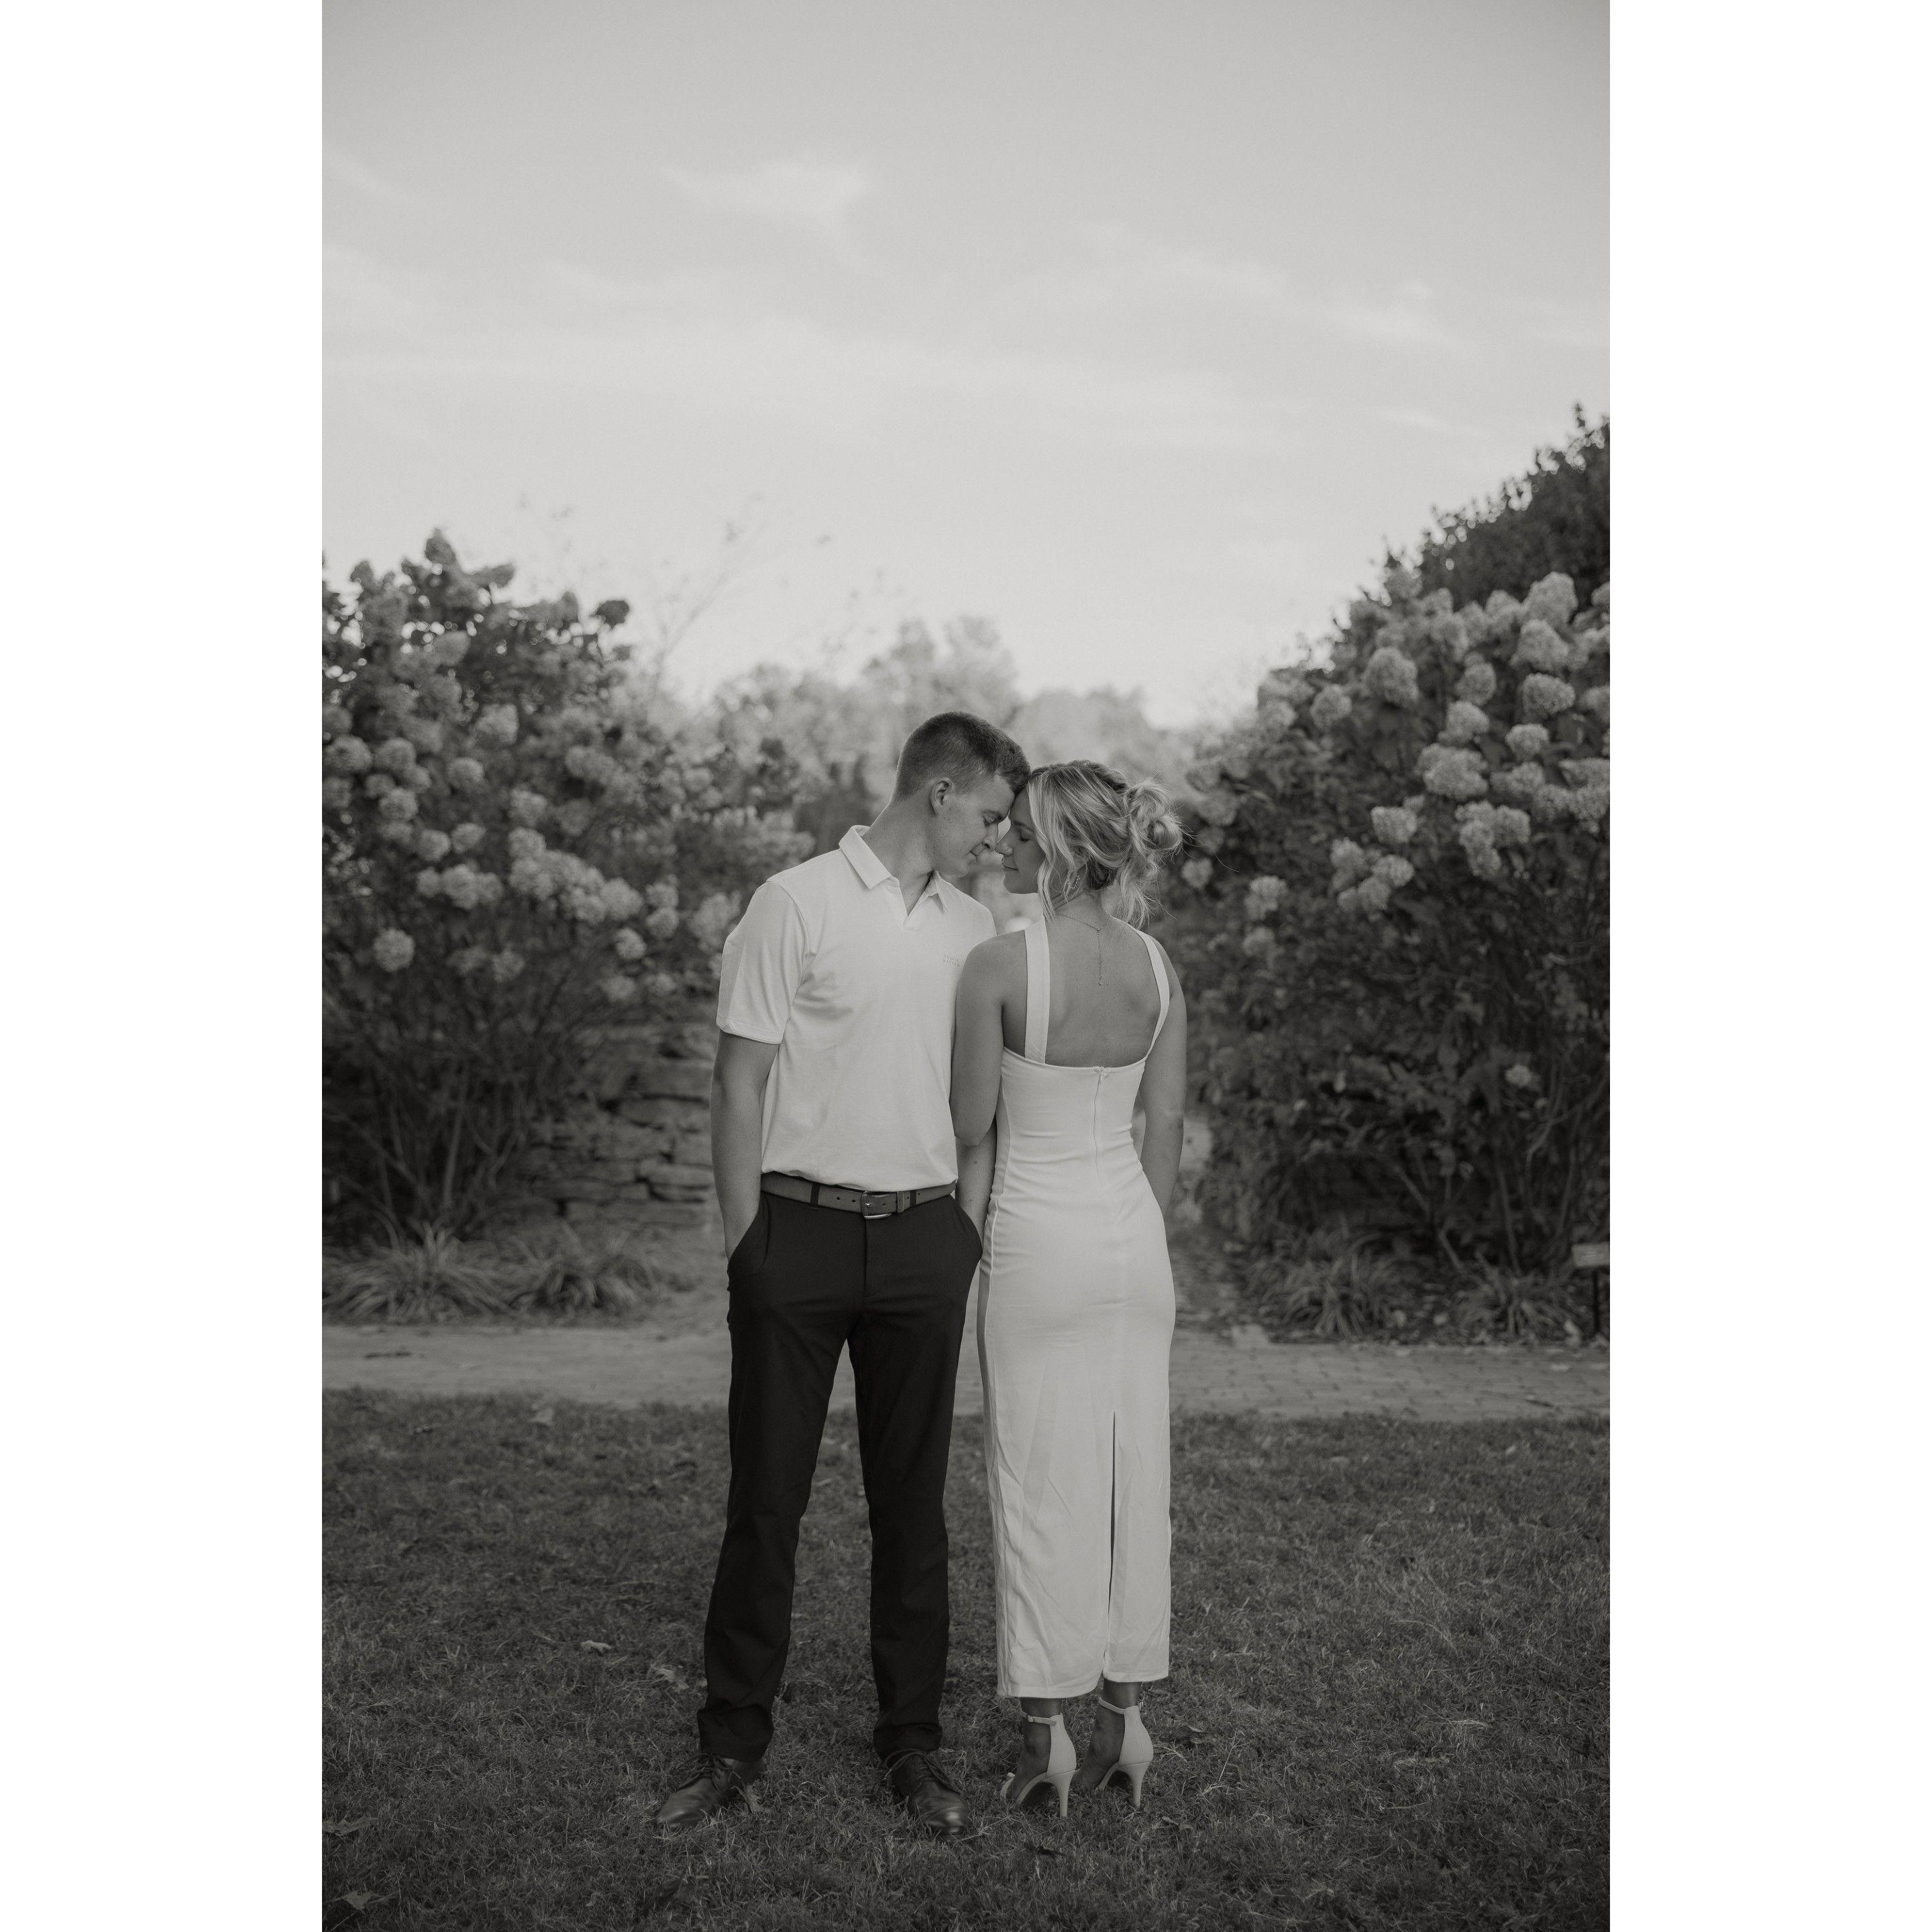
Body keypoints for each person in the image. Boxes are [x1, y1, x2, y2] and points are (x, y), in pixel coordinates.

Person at [653, 711, 1030, 1837]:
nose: (1000, 841)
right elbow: (738, 1082)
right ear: (941, 792)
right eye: (993, 817)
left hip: (923, 1243)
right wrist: (748, 1247)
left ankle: (912, 1743)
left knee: (912, 1508)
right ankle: (732, 1744)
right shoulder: (795, 902)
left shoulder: (977, 927)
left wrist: (962, 1231)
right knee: (766, 1502)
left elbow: (983, 1102)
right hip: (796, 1238)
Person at [949, 761, 1187, 1815]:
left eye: (1019, 835)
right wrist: (1136, 1228)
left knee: (1039, 1479)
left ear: (1053, 850)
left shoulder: (998, 966)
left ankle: (1046, 1737)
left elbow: (970, 1126)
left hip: (1038, 1242)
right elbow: (1164, 1123)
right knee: (1136, 1474)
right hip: (1133, 1241)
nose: (1004, 846)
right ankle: (1130, 1723)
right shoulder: (1157, 968)